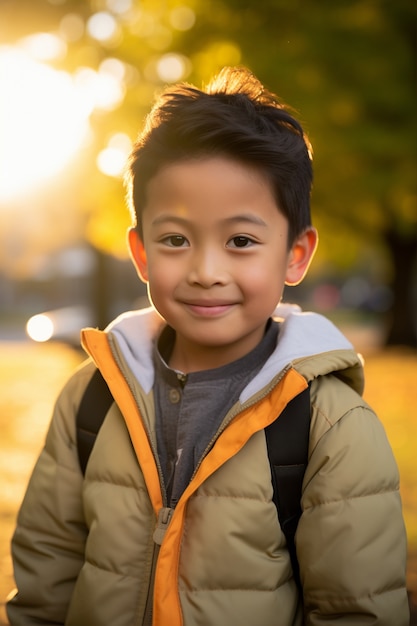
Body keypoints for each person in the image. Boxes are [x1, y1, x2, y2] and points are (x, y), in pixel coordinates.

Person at [7, 66, 409, 626]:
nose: (206, 271)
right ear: (142, 251)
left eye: (241, 241)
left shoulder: (329, 424)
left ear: (295, 254)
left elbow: (357, 610)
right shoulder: (91, 399)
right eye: (175, 240)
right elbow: (46, 578)